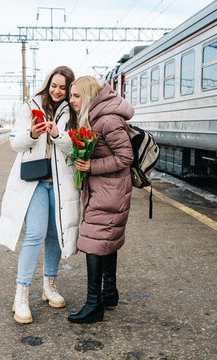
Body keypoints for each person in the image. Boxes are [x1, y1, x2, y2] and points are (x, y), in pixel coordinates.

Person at [0, 66, 80, 324]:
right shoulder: (29, 106)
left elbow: (75, 146)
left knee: (56, 234)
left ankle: (49, 286)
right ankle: (21, 296)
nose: (57, 90)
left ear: (68, 89)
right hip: (34, 182)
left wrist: (57, 135)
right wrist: (33, 134)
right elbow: (15, 143)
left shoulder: (72, 111)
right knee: (35, 234)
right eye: (54, 85)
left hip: (60, 183)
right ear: (48, 84)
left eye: (62, 87)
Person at [67, 76, 134, 324]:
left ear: (89, 94)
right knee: (106, 240)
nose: (72, 100)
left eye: (76, 95)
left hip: (110, 192)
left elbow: (125, 157)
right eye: (71, 96)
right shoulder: (97, 116)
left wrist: (91, 165)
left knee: (94, 242)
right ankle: (109, 293)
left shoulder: (107, 119)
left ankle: (94, 305)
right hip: (106, 190)